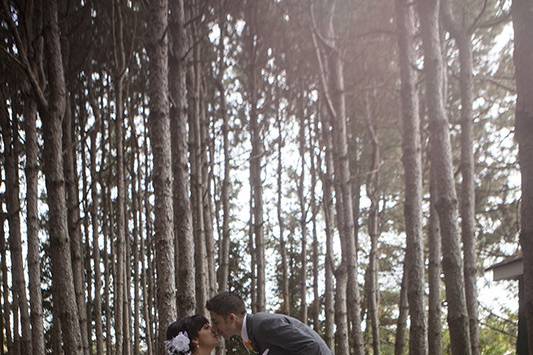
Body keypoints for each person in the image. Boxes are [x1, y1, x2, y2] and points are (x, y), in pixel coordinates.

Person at [206, 292, 333, 355]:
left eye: (217, 322)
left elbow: (312, 347)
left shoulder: (263, 326)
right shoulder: (250, 332)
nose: (215, 329)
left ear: (231, 318)